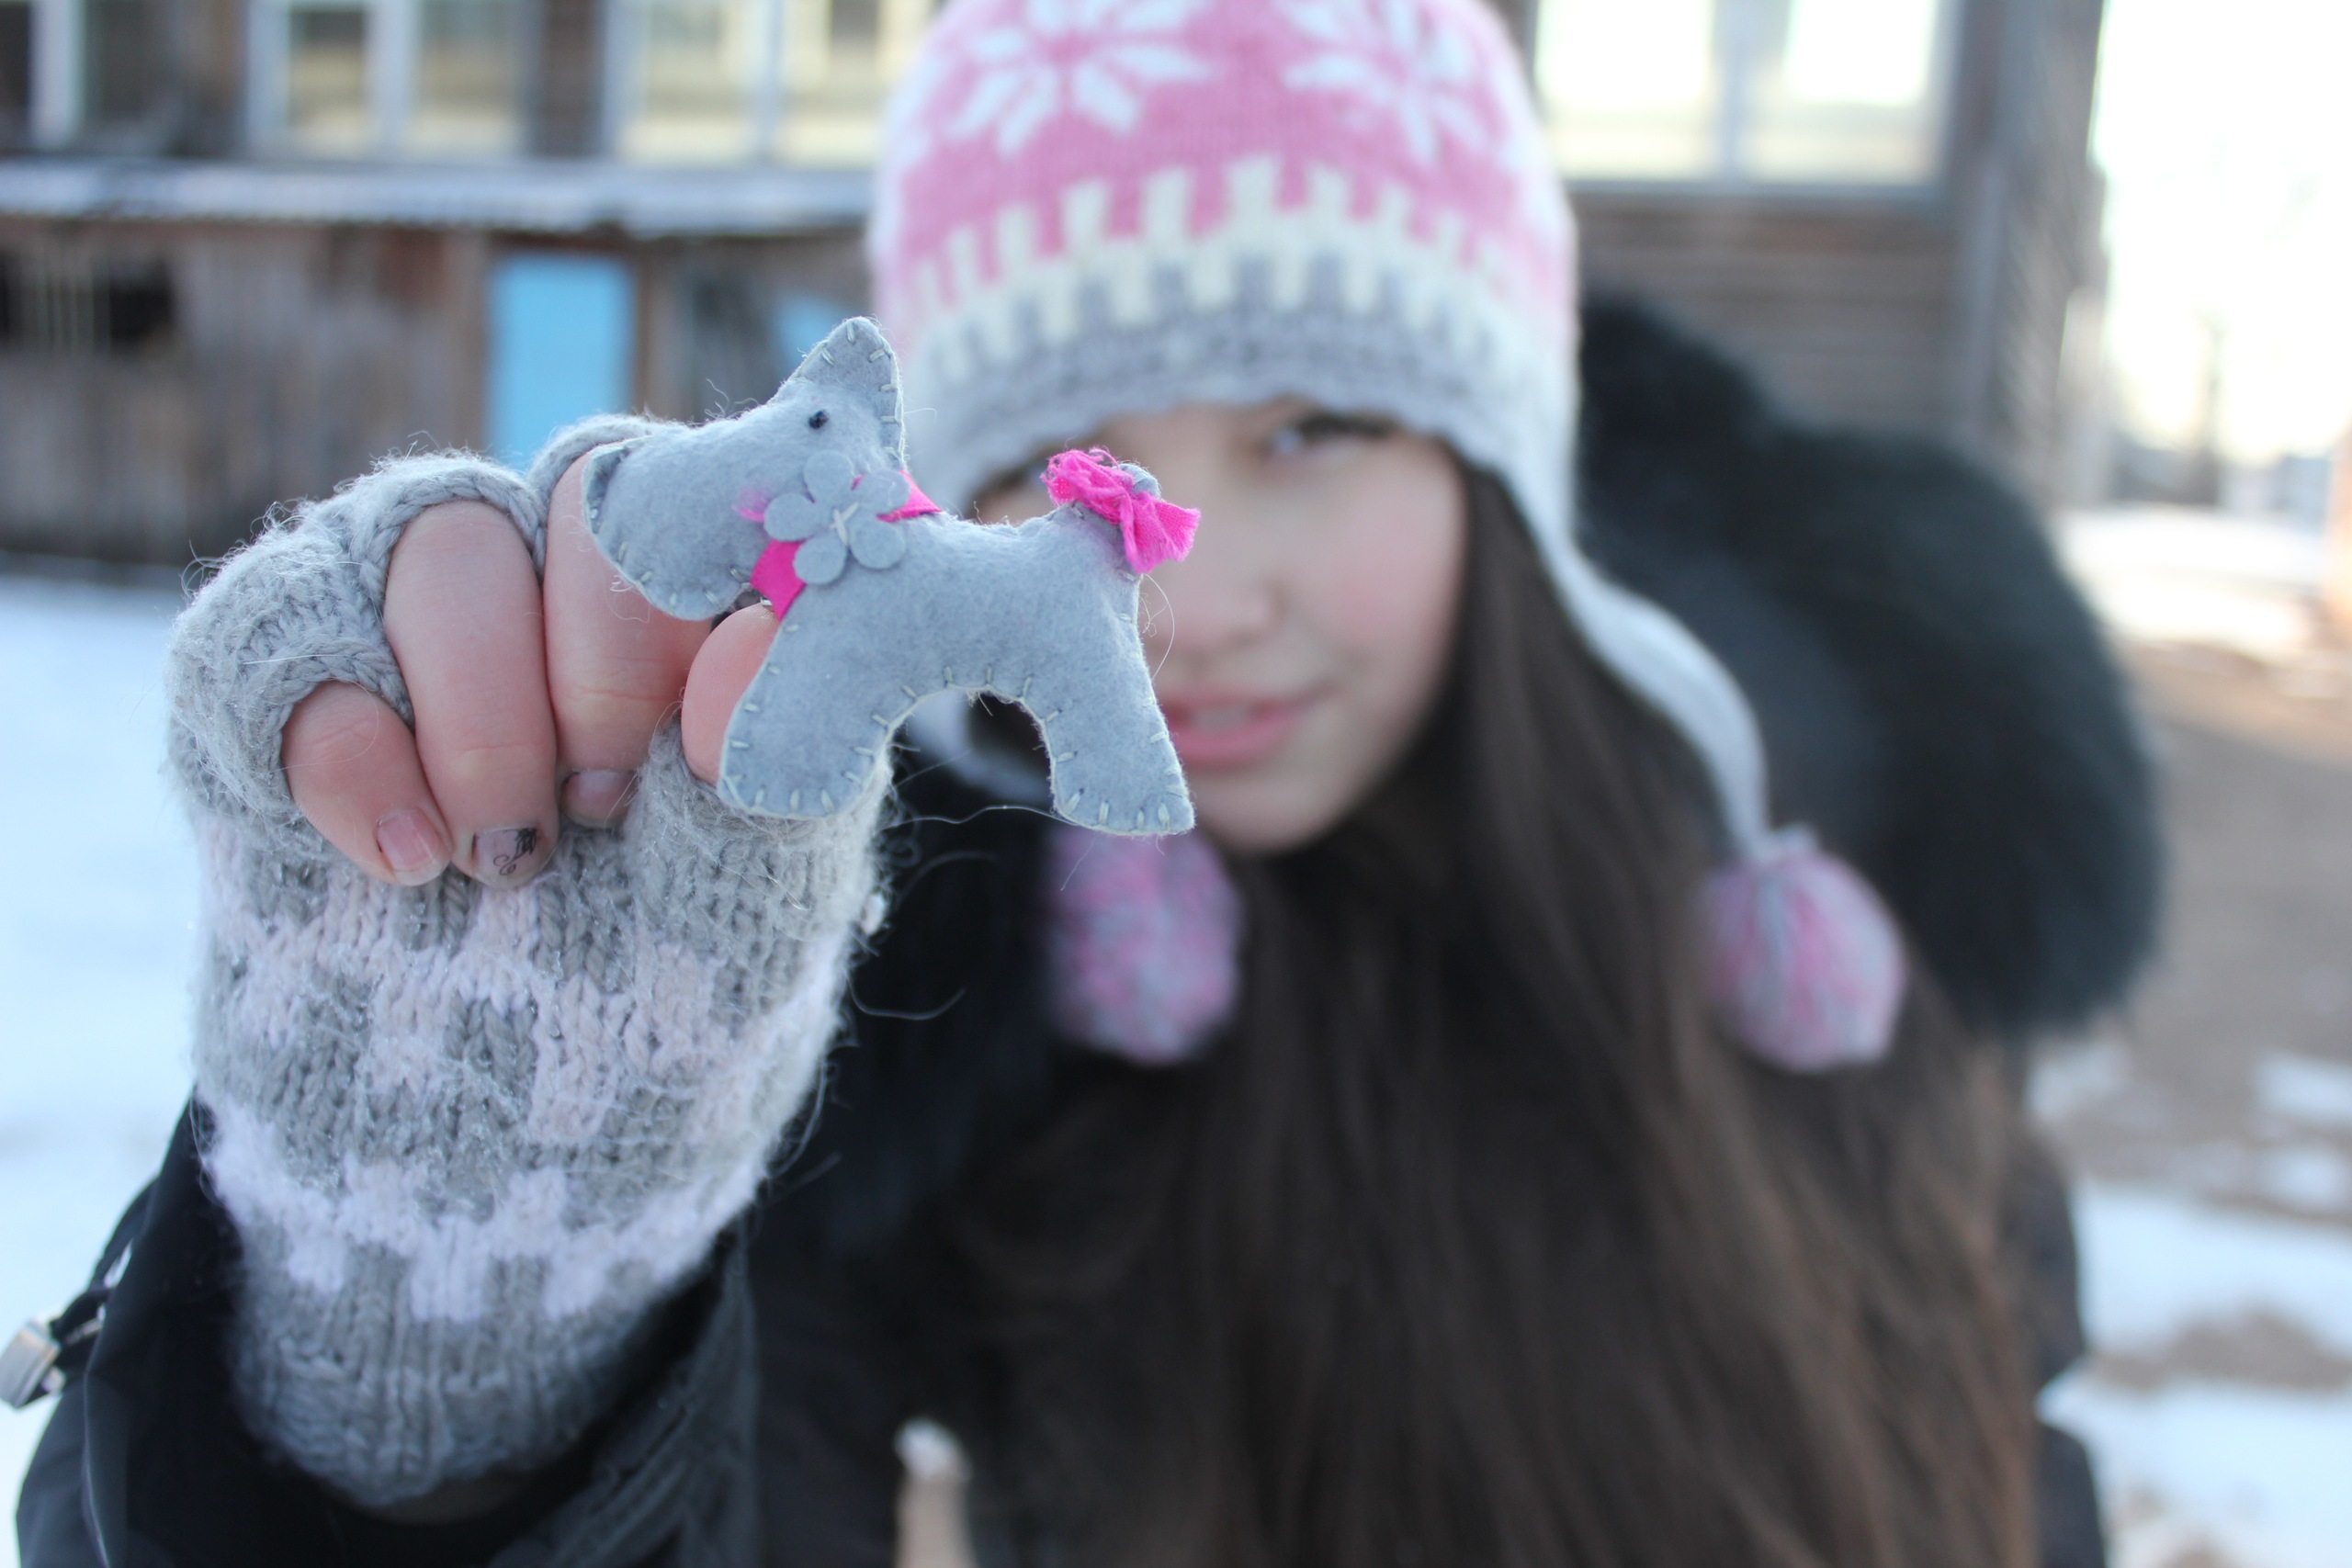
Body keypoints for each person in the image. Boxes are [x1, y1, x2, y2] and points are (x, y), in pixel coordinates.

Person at [15, 2, 2156, 1564]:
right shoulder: (872, 1014)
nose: (1189, 597)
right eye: (1067, 461)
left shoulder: (1827, 918)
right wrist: (458, 1379)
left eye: (1309, 428)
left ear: (1495, 465)